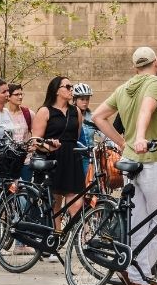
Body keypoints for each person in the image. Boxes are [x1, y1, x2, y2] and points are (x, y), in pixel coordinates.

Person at [92, 46, 157, 285]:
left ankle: (136, 274)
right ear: (156, 62)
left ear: (135, 66)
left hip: (130, 162)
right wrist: (139, 137)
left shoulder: (123, 88)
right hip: (153, 160)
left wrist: (120, 142)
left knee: (139, 220)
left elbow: (98, 116)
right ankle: (144, 273)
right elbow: (147, 109)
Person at [31, 76, 84, 227]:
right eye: (67, 87)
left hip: (72, 157)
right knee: (55, 202)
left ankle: (80, 239)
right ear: (56, 91)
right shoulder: (45, 111)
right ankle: (56, 237)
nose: (71, 89)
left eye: (71, 86)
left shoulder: (76, 112)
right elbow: (36, 141)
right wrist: (49, 147)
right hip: (52, 158)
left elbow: (76, 135)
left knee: (75, 201)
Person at [6, 83, 35, 181]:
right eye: (17, 94)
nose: (20, 97)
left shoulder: (28, 113)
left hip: (25, 160)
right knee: (9, 192)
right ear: (8, 97)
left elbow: (36, 135)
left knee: (26, 191)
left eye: (21, 94)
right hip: (8, 161)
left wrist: (34, 146)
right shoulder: (3, 114)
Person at [72, 83, 96, 175]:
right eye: (82, 99)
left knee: (92, 183)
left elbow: (104, 132)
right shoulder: (69, 116)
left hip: (88, 157)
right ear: (75, 99)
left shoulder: (92, 117)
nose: (85, 102)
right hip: (73, 156)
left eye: (87, 99)